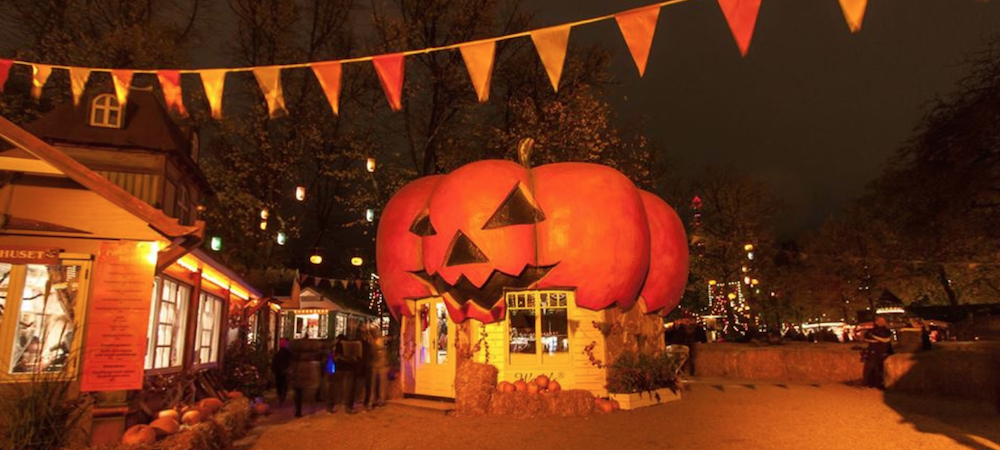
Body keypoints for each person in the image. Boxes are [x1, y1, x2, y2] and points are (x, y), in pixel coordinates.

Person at [290, 343, 323, 418]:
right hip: (303, 377)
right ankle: (310, 410)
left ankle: (299, 411)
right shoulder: (308, 359)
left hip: (299, 377)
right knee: (307, 394)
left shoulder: (297, 358)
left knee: (298, 394)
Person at [862, 316, 893, 389]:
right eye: (879, 321)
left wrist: (874, 337)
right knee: (870, 368)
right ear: (876, 322)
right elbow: (867, 338)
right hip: (873, 352)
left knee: (881, 368)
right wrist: (876, 338)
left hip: (883, 352)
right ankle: (869, 383)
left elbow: (885, 338)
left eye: (882, 321)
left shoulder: (887, 331)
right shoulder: (872, 330)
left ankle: (880, 384)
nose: (881, 322)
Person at [271, 338, 293, 406]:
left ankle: (281, 397)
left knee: (279, 385)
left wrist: (273, 370)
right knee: (284, 385)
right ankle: (282, 398)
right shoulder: (288, 354)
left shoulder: (278, 354)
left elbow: (274, 362)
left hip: (279, 371)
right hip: (284, 371)